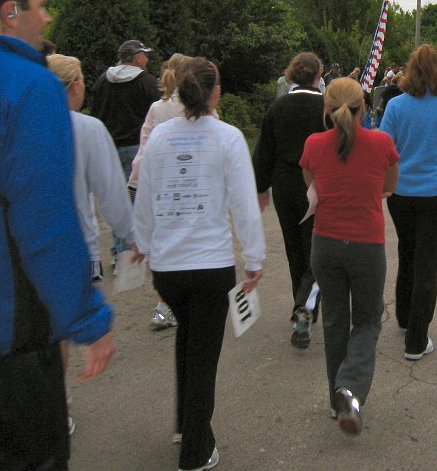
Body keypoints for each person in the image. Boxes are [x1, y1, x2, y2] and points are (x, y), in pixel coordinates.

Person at [0, 0, 115, 469]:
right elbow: (44, 223)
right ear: (9, 11)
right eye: (40, 5)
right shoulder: (28, 85)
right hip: (8, 334)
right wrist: (87, 319)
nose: (48, 17)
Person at [134, 57, 266, 471]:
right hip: (210, 265)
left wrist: (143, 241)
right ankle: (195, 450)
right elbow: (244, 204)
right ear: (214, 92)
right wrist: (254, 258)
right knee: (204, 353)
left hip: (169, 268)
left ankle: (184, 423)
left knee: (187, 339)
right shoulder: (227, 138)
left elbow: (145, 194)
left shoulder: (159, 137)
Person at [301, 78, 399, 436]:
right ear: (365, 108)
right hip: (366, 245)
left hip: (324, 243)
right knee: (369, 320)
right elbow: (390, 185)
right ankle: (351, 390)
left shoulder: (313, 143)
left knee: (334, 321)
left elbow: (311, 185)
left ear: (327, 109)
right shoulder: (382, 143)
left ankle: (335, 400)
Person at [379, 44, 437, 360]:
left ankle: (405, 316)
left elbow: (384, 148)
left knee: (407, 252)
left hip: (401, 195)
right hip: (435, 195)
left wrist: (383, 183)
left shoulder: (395, 107)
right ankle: (416, 340)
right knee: (427, 263)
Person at [252, 52, 326, 349]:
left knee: (294, 246)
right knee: (317, 248)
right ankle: (304, 307)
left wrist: (260, 187)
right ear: (318, 76)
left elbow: (264, 150)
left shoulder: (277, 106)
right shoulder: (326, 107)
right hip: (317, 184)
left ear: (292, 75)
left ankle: (301, 302)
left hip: (284, 183)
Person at [48, 54, 136, 285]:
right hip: (78, 244)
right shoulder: (88, 129)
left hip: (30, 247)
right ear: (75, 86)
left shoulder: (18, 125)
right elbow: (111, 193)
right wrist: (132, 236)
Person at [126, 52, 198, 329]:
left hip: (159, 185)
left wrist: (136, 182)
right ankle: (180, 303)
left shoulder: (158, 108)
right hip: (188, 184)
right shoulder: (195, 107)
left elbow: (145, 148)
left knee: (165, 246)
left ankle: (163, 305)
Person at [90, 37, 161, 269]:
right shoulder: (147, 83)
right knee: (137, 201)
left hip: (109, 146)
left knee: (117, 201)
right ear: (137, 57)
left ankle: (119, 250)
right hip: (136, 147)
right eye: (145, 55)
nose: (148, 59)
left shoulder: (102, 82)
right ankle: (131, 253)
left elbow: (96, 113)